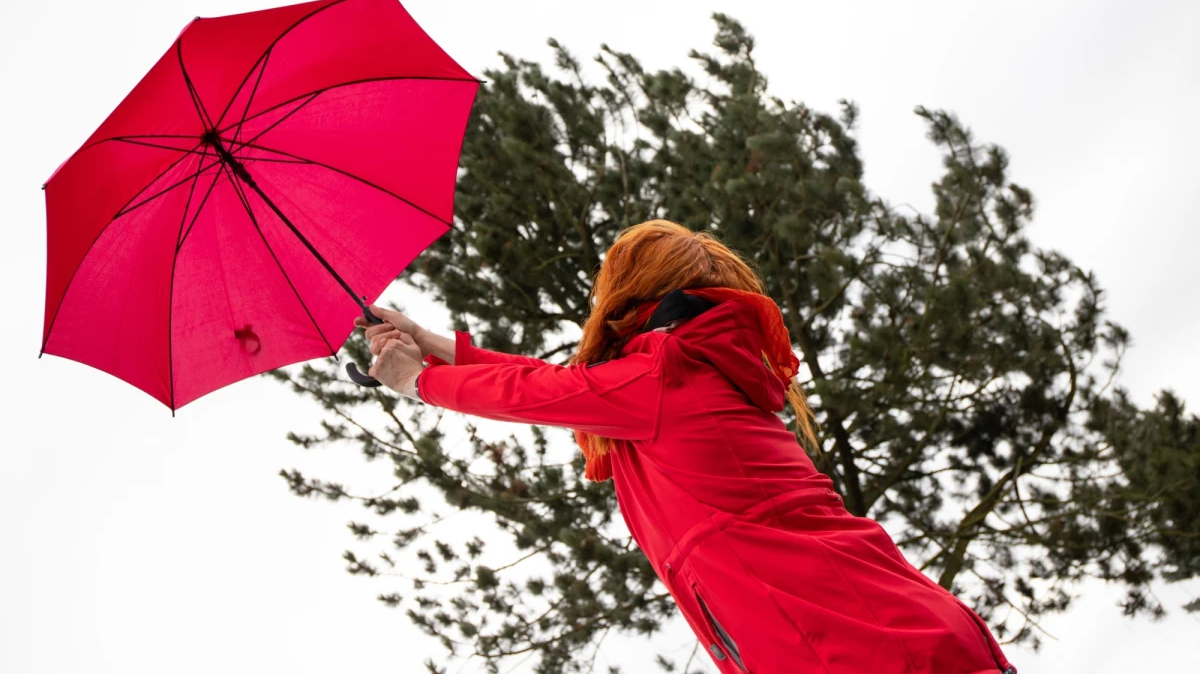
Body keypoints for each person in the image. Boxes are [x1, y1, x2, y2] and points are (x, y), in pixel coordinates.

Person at [355, 219, 1017, 674]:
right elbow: (557, 382)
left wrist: (419, 382)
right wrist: (429, 339)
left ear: (627, 292)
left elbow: (540, 392)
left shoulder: (663, 374)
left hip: (867, 649)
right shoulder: (676, 369)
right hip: (891, 638)